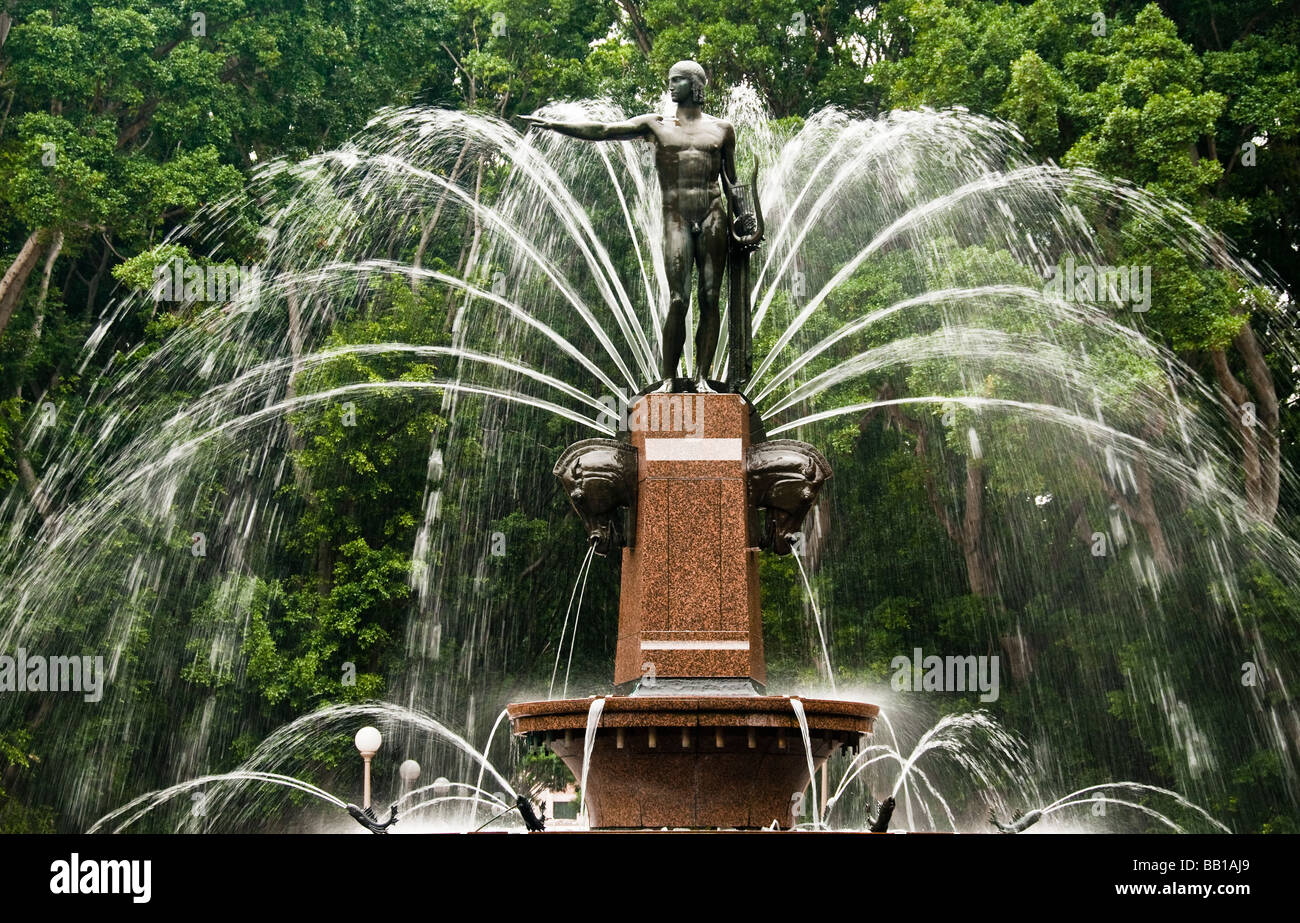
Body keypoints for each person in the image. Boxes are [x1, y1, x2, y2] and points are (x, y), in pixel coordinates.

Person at [523, 60, 755, 389]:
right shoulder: (656, 124)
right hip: (675, 214)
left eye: (677, 81)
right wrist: (554, 125)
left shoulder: (722, 129)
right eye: (670, 81)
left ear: (694, 85)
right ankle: (669, 379)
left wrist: (744, 218)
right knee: (678, 298)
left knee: (710, 296)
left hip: (714, 214)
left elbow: (732, 182)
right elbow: (604, 131)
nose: (671, 87)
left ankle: (703, 378)